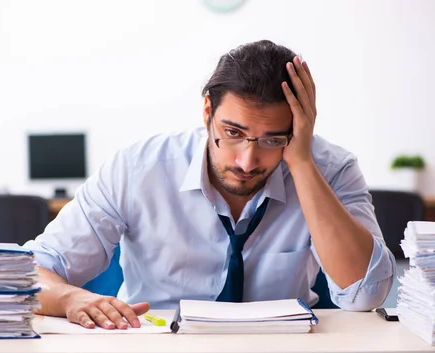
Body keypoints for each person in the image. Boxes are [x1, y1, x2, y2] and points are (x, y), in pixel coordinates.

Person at [25, 40, 395, 329]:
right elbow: (31, 272)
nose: (246, 162)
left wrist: (299, 161)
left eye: (271, 139)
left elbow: (367, 294)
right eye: (232, 133)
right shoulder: (138, 170)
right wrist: (71, 298)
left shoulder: (330, 168)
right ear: (207, 112)